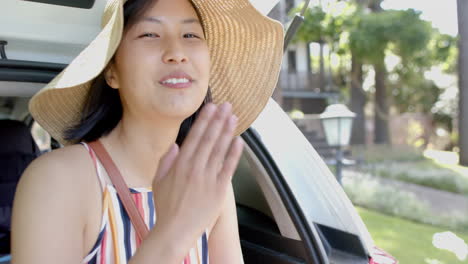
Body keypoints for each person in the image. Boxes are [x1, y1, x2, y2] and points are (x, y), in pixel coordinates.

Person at [10, 0, 283, 263]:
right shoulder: (57, 180)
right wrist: (173, 235)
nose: (177, 52)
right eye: (150, 34)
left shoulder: (210, 185)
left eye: (190, 34)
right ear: (111, 72)